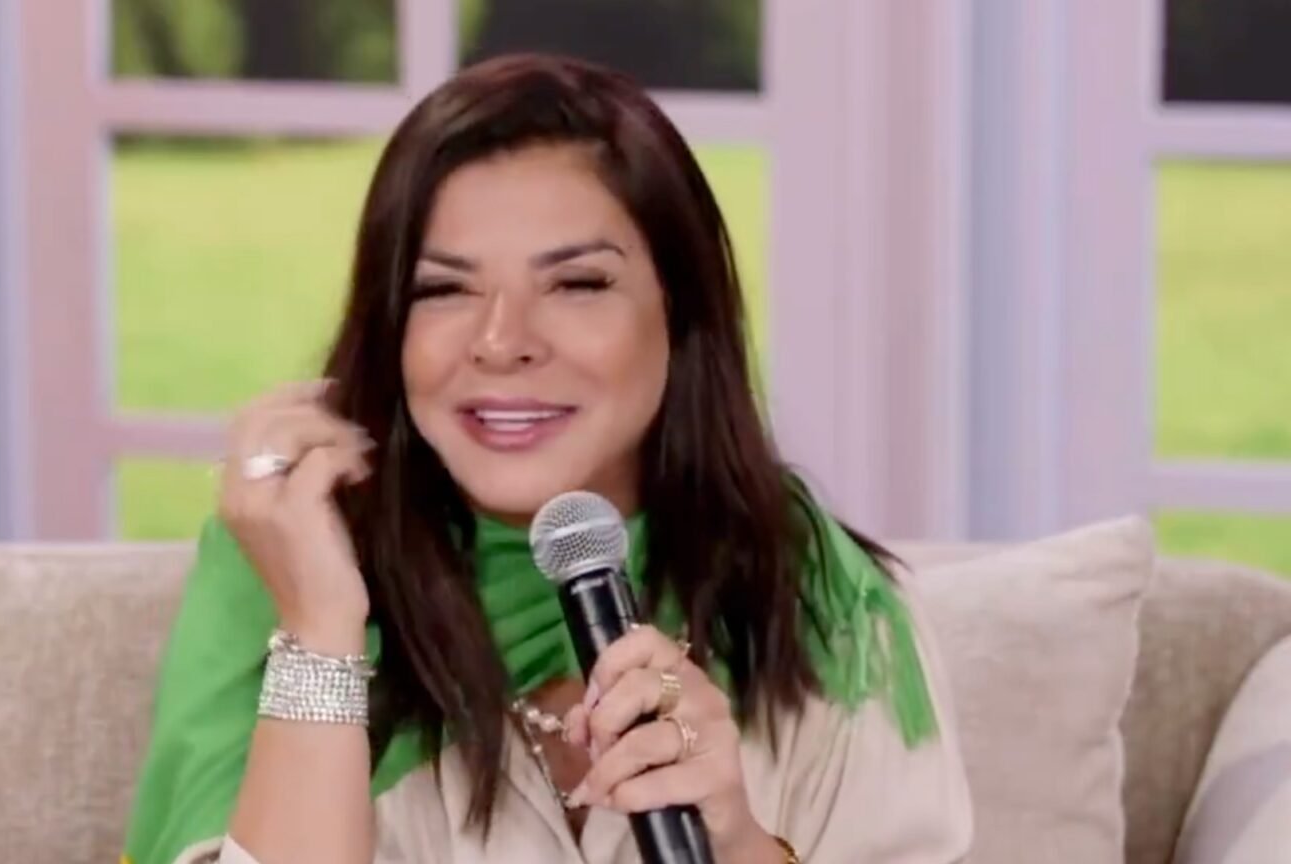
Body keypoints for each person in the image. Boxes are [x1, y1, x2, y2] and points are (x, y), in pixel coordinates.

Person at [120, 53, 973, 864]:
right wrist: (321, 633)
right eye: (443, 289)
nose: (502, 341)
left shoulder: (830, 610)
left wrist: (739, 845)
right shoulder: (283, 576)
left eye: (576, 284)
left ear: (681, 314)